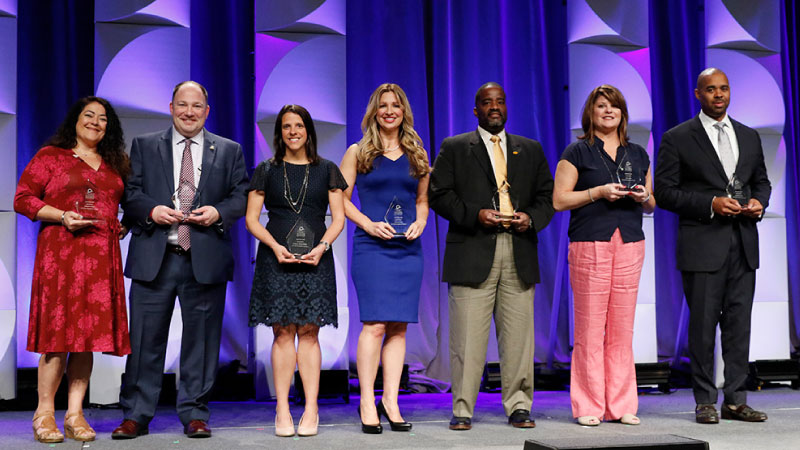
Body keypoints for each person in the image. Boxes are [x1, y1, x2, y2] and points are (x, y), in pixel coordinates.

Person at [113, 81, 248, 439]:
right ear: (171, 107)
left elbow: (241, 196)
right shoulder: (144, 145)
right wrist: (151, 210)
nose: (189, 112)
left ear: (207, 110)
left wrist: (218, 213)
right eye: (183, 105)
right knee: (144, 341)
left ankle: (195, 413)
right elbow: (130, 192)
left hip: (203, 257)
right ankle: (136, 415)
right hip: (155, 256)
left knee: (202, 343)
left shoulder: (229, 150)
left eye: (197, 106)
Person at [429, 82, 554, 431]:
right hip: (473, 247)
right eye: (487, 102)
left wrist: (530, 218)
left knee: (518, 338)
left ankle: (518, 406)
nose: (494, 107)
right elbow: (439, 195)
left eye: (500, 101)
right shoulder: (455, 147)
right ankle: (463, 408)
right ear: (476, 110)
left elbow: (547, 197)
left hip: (518, 248)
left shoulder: (529, 149)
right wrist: (475, 214)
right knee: (466, 339)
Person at [655, 68, 771, 424]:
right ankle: (705, 399)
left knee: (739, 326)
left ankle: (736, 400)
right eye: (710, 90)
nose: (718, 95)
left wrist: (759, 203)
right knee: (703, 327)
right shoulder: (678, 138)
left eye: (723, 88)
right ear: (698, 94)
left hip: (743, 243)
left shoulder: (749, 136)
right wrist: (710, 204)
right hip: (703, 245)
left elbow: (761, 182)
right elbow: (665, 192)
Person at [14, 96, 131, 443]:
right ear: (75, 121)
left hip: (101, 259)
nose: (96, 122)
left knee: (86, 341)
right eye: (89, 115)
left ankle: (75, 414)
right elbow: (22, 198)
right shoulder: (51, 156)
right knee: (57, 339)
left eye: (103, 118)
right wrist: (61, 215)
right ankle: (44, 413)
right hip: (61, 257)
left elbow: (117, 203)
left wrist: (119, 224)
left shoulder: (115, 163)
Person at [552, 85, 655, 426]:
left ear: (623, 113)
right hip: (590, 243)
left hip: (629, 243)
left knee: (622, 330)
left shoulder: (638, 153)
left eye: (614, 106)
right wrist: (597, 192)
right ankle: (589, 405)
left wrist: (642, 196)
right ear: (591, 113)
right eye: (601, 106)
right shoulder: (577, 151)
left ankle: (622, 404)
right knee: (590, 329)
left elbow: (652, 203)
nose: (608, 111)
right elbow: (559, 200)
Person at [246, 104, 346, 438]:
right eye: (287, 126)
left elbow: (339, 218)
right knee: (282, 332)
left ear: (308, 131)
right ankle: (283, 410)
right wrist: (275, 246)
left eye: (299, 125)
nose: (293, 132)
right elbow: (251, 219)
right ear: (280, 132)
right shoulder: (266, 169)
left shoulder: (328, 169)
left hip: (317, 259)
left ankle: (312, 409)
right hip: (277, 259)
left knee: (310, 332)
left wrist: (322, 248)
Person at [340, 83, 430, 434]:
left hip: (407, 249)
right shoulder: (358, 152)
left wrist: (421, 222)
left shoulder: (417, 153)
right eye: (383, 105)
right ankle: (366, 399)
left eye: (395, 105)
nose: (389, 110)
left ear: (404, 110)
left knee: (398, 326)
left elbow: (422, 201)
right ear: (374, 112)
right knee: (374, 324)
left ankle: (390, 400)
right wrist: (368, 223)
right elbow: (342, 200)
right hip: (372, 246)